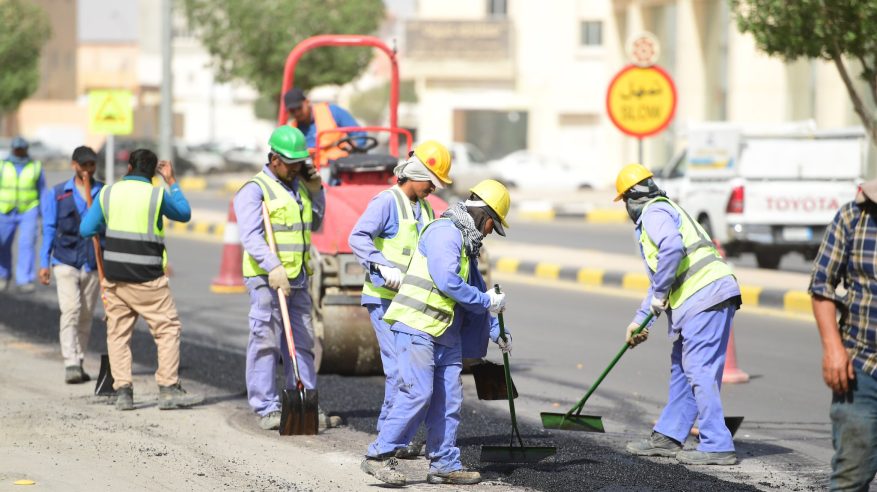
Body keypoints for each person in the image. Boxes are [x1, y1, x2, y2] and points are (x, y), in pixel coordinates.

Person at [361, 179, 513, 486]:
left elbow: (478, 289)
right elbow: (446, 280)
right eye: (491, 226)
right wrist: (486, 301)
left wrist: (496, 327)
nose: (488, 233)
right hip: (417, 325)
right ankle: (377, 456)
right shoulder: (445, 233)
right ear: (483, 215)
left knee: (448, 401)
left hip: (445, 333)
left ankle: (444, 463)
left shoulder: (467, 244)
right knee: (417, 393)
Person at [615, 163, 741, 466]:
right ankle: (669, 436)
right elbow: (662, 277)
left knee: (698, 370)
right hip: (705, 296)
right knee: (682, 370)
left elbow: (672, 250)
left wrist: (659, 296)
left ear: (632, 198)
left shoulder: (654, 213)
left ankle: (717, 444)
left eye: (624, 201)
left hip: (705, 296)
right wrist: (640, 319)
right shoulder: (667, 209)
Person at [349, 141, 453, 457]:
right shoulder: (386, 202)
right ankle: (389, 438)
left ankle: (394, 436)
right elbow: (357, 236)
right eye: (430, 180)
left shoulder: (426, 207)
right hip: (382, 299)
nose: (433, 187)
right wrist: (379, 263)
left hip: (409, 303)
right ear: (416, 173)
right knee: (398, 371)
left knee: (407, 371)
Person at [234, 125, 340, 431]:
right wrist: (273, 267)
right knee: (265, 341)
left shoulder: (299, 188)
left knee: (303, 343)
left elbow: (317, 223)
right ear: (274, 159)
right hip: (267, 279)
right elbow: (251, 237)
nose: (296, 168)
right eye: (292, 163)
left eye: (299, 163)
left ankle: (305, 401)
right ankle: (266, 406)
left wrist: (317, 191)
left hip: (298, 279)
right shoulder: (254, 190)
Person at [80, 149, 202, 411]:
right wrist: (171, 181)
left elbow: (86, 229)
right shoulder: (157, 195)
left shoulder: (108, 193)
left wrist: (109, 224)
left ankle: (123, 391)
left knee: (118, 334)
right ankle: (168, 389)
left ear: (129, 166)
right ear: (152, 172)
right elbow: (184, 213)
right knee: (167, 329)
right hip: (148, 280)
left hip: (115, 279)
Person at [809, 179, 877, 491]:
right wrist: (833, 348)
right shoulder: (853, 218)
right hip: (862, 364)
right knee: (852, 473)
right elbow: (822, 284)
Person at [39, 146, 104, 384]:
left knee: (86, 315)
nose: (87, 170)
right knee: (71, 309)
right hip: (65, 261)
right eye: (83, 165)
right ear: (74, 165)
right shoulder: (58, 194)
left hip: (92, 264)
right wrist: (44, 261)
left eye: (91, 165)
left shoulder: (102, 192)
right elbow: (48, 228)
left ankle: (80, 358)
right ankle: (70, 362)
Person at [0, 136, 46, 292]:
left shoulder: (35, 166)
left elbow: (42, 190)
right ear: (12, 149)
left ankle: (24, 279)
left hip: (29, 210)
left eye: (22, 149)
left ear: (26, 149)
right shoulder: (2, 166)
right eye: (17, 149)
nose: (19, 152)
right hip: (4, 210)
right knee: (3, 243)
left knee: (26, 243)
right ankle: (3, 275)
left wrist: (44, 213)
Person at [284, 87, 366, 167]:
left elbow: (359, 135)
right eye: (292, 110)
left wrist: (354, 148)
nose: (297, 113)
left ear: (307, 102)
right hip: (312, 173)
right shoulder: (293, 131)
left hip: (341, 167)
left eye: (299, 108)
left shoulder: (333, 112)